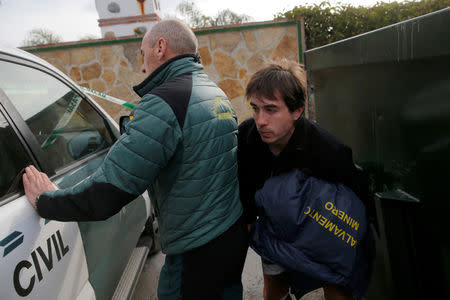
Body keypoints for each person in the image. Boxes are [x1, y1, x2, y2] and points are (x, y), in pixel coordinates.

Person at [23, 19, 248, 300]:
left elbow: (108, 191)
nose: (142, 65)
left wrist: (47, 200)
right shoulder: (214, 92)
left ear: (160, 48)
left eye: (143, 53)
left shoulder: (165, 102)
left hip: (195, 253)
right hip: (229, 235)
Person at [237, 59, 372, 300]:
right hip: (274, 229)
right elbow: (245, 188)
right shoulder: (248, 137)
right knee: (275, 288)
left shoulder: (327, 148)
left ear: (297, 111)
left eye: (270, 109)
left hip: (318, 230)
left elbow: (356, 195)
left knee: (337, 287)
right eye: (255, 108)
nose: (260, 121)